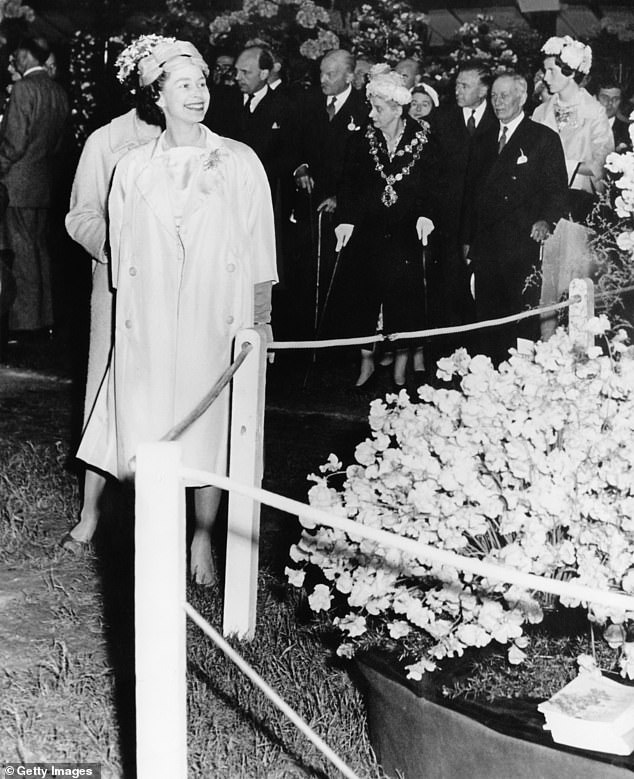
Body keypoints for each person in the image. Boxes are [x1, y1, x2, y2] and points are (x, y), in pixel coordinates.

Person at [75, 40, 277, 585]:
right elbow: (123, 260)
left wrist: (260, 320)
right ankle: (153, 540)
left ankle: (203, 538)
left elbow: (261, 249)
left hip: (217, 317)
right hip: (151, 322)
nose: (198, 94)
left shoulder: (240, 160)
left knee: (210, 427)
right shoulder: (132, 168)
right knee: (150, 430)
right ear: (156, 96)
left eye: (203, 84)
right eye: (183, 85)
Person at [60, 36, 167, 555]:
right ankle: (91, 513)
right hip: (117, 287)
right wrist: (122, 250)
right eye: (154, 77)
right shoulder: (106, 140)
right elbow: (80, 214)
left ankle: (177, 522)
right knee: (106, 389)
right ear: (138, 84)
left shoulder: (196, 142)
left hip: (175, 292)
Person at [334, 64, 437, 393]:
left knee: (404, 301)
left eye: (378, 109)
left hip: (407, 232)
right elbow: (349, 185)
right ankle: (366, 362)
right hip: (369, 231)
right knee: (364, 297)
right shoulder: (361, 140)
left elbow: (435, 186)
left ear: (396, 108)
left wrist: (426, 214)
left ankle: (401, 367)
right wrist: (346, 219)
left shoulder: (424, 139)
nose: (372, 115)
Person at [467, 72, 568, 364]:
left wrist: (546, 220)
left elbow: (557, 190)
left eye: (505, 95)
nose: (498, 102)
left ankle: (521, 375)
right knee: (486, 314)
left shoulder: (543, 138)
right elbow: (470, 195)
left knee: (521, 314)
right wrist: (467, 239)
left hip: (522, 244)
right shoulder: (482, 140)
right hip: (486, 244)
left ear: (522, 98)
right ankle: (484, 373)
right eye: (494, 96)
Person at [533, 37, 614, 338]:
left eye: (552, 71)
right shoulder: (541, 111)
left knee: (572, 283)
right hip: (541, 206)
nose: (546, 77)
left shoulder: (594, 112)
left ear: (571, 73)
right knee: (540, 282)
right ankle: (543, 345)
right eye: (545, 71)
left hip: (575, 207)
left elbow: (601, 163)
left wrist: (558, 164)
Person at [291, 49, 369, 338]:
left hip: (343, 210)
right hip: (308, 205)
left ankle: (334, 343)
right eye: (321, 72)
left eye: (330, 74)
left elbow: (365, 167)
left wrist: (341, 197)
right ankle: (304, 338)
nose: (322, 79)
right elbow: (293, 143)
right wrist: (300, 168)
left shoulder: (364, 109)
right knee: (305, 276)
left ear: (350, 77)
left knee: (340, 280)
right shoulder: (307, 102)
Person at [0, 36, 68, 337]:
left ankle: (25, 322)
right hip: (43, 182)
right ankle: (45, 318)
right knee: (39, 250)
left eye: (17, 53)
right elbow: (59, 144)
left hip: (17, 183)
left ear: (28, 55)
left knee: (21, 253)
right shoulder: (57, 91)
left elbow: (14, 142)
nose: (14, 59)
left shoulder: (24, 89)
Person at [428, 62, 497, 348]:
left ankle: (478, 347)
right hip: (446, 220)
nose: (456, 90)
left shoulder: (498, 121)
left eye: (464, 86)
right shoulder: (441, 118)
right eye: (456, 84)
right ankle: (444, 350)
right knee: (445, 285)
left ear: (483, 91)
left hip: (484, 221)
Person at [597, 79, 631, 152]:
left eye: (615, 99)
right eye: (604, 98)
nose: (610, 102)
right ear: (595, 98)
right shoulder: (581, 124)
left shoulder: (628, 130)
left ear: (621, 102)